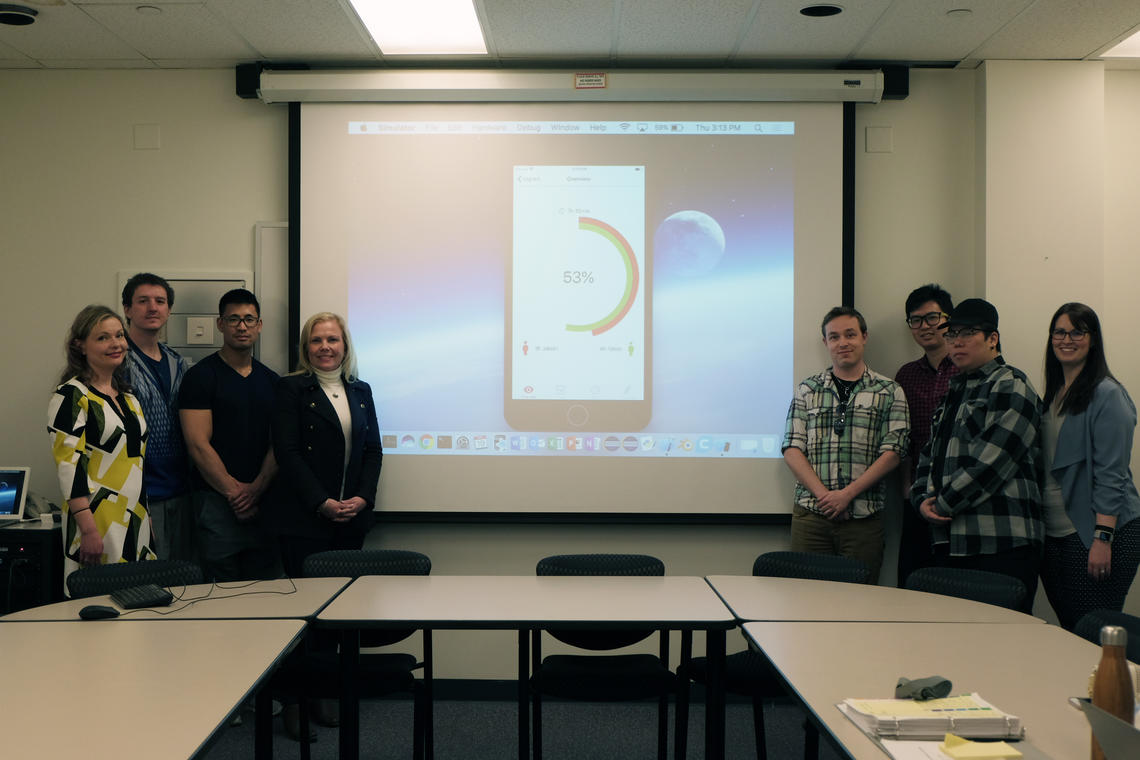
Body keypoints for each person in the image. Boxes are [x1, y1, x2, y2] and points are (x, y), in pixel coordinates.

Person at [912, 298, 1044, 613]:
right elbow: (928, 456)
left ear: (992, 338)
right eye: (951, 334)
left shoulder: (1012, 384)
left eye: (967, 333)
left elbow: (993, 461)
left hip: (1001, 543)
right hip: (952, 540)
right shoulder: (953, 392)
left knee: (1003, 649)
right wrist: (920, 499)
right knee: (956, 649)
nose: (955, 342)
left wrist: (940, 504)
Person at [782, 306, 910, 583]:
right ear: (826, 343)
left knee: (860, 602)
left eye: (850, 334)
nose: (843, 343)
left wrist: (846, 495)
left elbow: (894, 451)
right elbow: (792, 447)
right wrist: (825, 497)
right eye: (835, 337)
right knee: (804, 601)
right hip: (812, 516)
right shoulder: (808, 389)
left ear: (864, 336)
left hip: (864, 516)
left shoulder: (889, 391)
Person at [1038, 303, 1140, 631]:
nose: (1067, 339)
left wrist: (1102, 538)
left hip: (1099, 532)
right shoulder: (1054, 394)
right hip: (1055, 530)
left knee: (1092, 632)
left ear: (1092, 340)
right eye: (1059, 332)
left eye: (1077, 332)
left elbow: (1113, 474)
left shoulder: (1107, 395)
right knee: (1071, 629)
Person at [47, 305, 155, 586]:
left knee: (140, 604)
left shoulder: (129, 398)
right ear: (79, 345)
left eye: (119, 335)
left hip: (135, 518)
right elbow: (68, 467)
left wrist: (145, 515)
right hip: (95, 520)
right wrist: (87, 528)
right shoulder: (71, 396)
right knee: (99, 608)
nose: (115, 343)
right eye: (103, 337)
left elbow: (137, 463)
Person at [179, 289, 280, 581]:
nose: (242, 326)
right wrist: (235, 494)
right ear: (220, 324)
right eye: (233, 319)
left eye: (249, 319)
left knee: (266, 592)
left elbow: (280, 444)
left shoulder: (273, 382)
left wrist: (256, 490)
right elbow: (197, 445)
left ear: (259, 325)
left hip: (265, 503)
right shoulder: (199, 377)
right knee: (220, 595)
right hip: (215, 503)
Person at [272, 312, 382, 576]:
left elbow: (373, 451)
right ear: (306, 348)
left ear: (344, 346)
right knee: (307, 599)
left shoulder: (361, 390)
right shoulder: (290, 388)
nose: (325, 346)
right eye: (316, 340)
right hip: (304, 518)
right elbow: (287, 453)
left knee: (346, 601)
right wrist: (322, 502)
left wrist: (362, 498)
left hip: (352, 518)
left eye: (332, 339)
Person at [121, 272, 194, 561]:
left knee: (182, 578)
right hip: (138, 494)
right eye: (143, 301)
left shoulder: (177, 362)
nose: (152, 307)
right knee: (147, 581)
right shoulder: (118, 360)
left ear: (169, 310)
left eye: (160, 301)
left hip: (180, 489)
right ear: (128, 309)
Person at [894, 284, 958, 586]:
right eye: (916, 320)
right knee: (912, 584)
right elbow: (904, 438)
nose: (924, 326)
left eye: (932, 317)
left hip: (960, 497)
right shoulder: (905, 375)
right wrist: (907, 489)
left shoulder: (967, 367)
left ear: (949, 318)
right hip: (918, 496)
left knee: (956, 590)